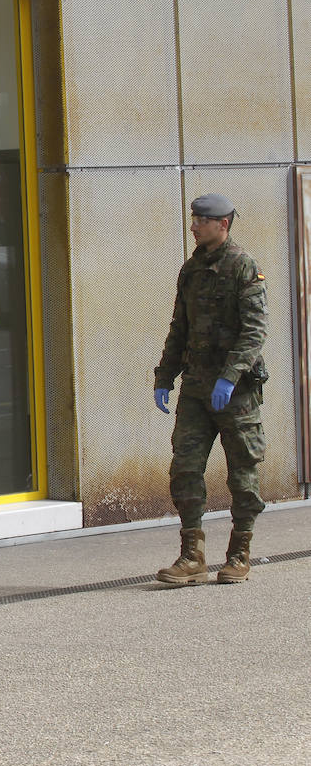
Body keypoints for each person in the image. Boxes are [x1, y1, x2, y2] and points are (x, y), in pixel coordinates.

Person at [153, 193, 268, 585]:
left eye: (201, 220)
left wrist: (230, 376)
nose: (193, 226)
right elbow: (178, 328)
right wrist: (165, 376)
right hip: (197, 389)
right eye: (193, 219)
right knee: (184, 469)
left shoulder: (243, 268)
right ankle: (192, 557)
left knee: (242, 474)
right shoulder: (191, 271)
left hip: (235, 392)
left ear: (223, 224)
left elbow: (254, 332)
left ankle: (239, 553)